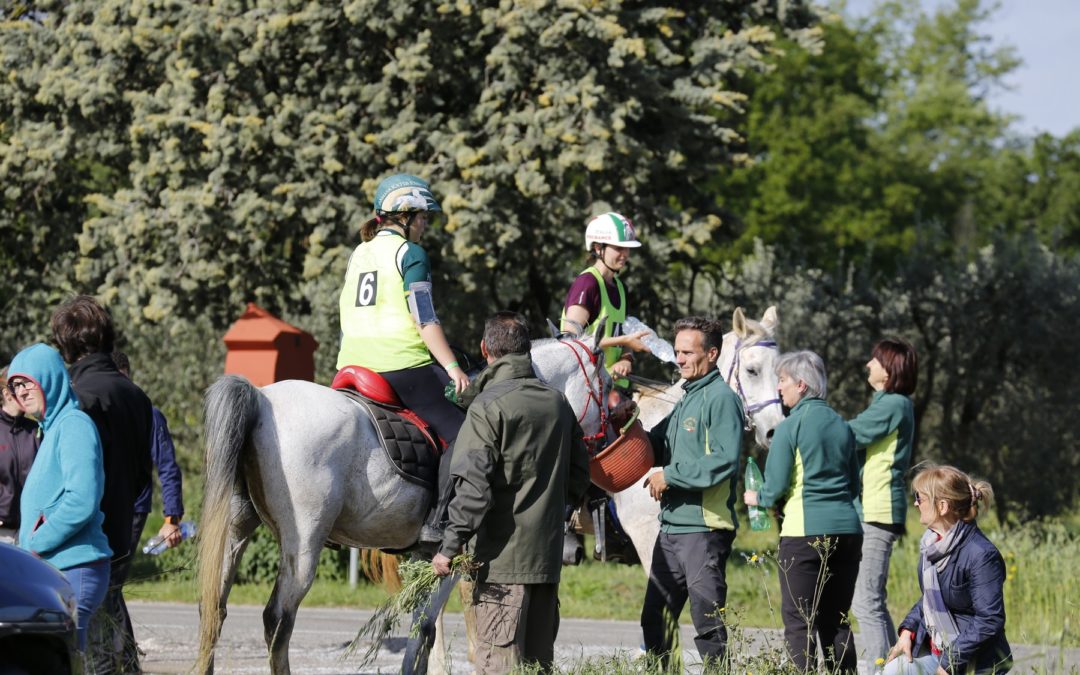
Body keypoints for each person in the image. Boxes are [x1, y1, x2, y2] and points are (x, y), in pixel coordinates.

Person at [432, 311, 590, 673]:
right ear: (527, 350)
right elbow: (581, 473)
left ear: (485, 348)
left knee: (499, 664)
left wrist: (449, 547)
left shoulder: (486, 407)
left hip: (500, 568)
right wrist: (553, 512)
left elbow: (473, 490)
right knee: (538, 666)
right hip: (546, 566)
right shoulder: (557, 403)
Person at [337, 173, 466, 544]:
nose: (426, 224)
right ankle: (438, 522)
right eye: (423, 216)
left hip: (351, 362)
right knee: (466, 430)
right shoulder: (411, 254)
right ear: (404, 215)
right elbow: (424, 318)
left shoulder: (358, 253)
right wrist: (454, 367)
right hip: (400, 364)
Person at [51, 295, 153, 674]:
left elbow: (67, 476)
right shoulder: (136, 395)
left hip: (81, 535)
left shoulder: (75, 395)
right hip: (123, 525)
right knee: (107, 620)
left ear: (67, 344)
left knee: (85, 645)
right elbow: (144, 472)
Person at [744, 350, 862, 673]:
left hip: (804, 533)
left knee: (800, 621)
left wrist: (756, 497)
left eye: (781, 380)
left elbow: (775, 487)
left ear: (801, 384)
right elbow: (853, 487)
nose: (778, 388)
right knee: (836, 620)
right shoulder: (843, 426)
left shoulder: (789, 427)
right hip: (849, 532)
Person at [639, 316, 745, 670]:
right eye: (678, 352)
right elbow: (652, 444)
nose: (680, 359)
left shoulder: (721, 399)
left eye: (688, 352)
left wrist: (670, 475)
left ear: (712, 354)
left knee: (708, 628)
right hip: (670, 529)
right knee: (655, 621)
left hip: (703, 530)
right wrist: (625, 423)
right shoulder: (686, 398)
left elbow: (724, 460)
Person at [8, 343, 112, 651]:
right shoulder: (51, 429)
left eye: (28, 382)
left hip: (75, 567)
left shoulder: (74, 425)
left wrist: (35, 543)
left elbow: (82, 499)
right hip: (57, 567)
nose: (21, 392)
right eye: (15, 386)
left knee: (65, 659)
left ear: (49, 379)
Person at [884, 465, 1011, 675]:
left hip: (972, 663)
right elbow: (932, 599)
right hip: (938, 654)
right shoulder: (933, 545)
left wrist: (950, 663)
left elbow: (989, 619)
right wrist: (908, 630)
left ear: (942, 506)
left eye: (920, 498)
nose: (915, 503)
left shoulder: (981, 554)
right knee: (891, 671)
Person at [111, 350, 186, 671]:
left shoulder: (148, 413)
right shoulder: (100, 409)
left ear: (127, 374)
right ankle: (123, 658)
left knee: (111, 583)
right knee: (108, 585)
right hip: (103, 507)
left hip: (134, 509)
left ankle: (125, 661)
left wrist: (172, 518)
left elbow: (168, 467)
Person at [849, 338, 918, 673]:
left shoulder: (893, 404)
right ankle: (896, 668)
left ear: (889, 369)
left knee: (866, 601)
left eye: (874, 360)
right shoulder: (887, 403)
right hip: (873, 510)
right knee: (869, 600)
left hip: (878, 512)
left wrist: (811, 427)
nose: (868, 365)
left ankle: (880, 670)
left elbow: (851, 435)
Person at [560, 211, 651, 391]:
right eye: (618, 248)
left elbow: (624, 338)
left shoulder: (620, 287)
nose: (625, 254)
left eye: (627, 248)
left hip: (614, 388)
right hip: (586, 391)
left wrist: (627, 358)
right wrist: (626, 340)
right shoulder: (587, 284)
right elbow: (570, 340)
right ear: (597, 248)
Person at [1, 364, 40, 545]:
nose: (26, 392)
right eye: (19, 386)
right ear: (6, 393)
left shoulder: (36, 430)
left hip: (29, 530)